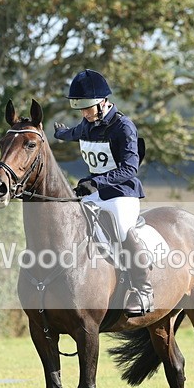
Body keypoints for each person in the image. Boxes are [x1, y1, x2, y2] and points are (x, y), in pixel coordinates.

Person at [53, 69, 154, 317]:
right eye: (82, 110)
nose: (85, 114)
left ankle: (143, 289)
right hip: (94, 191)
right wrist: (60, 133)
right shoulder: (88, 124)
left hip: (122, 194)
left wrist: (97, 182)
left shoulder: (123, 126)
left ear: (104, 102)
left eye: (89, 108)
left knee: (121, 229)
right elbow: (74, 133)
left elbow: (130, 168)